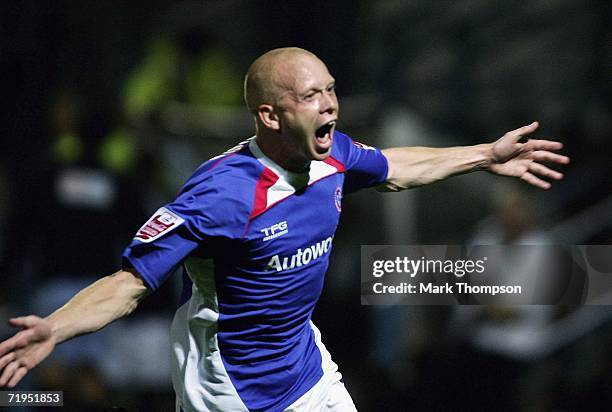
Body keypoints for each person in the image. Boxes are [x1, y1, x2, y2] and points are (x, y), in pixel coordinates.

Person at [0, 47, 569, 411]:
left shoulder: (332, 155)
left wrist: (484, 155)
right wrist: (55, 328)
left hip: (306, 367)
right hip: (232, 388)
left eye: (330, 90)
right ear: (270, 116)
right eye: (309, 96)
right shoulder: (220, 195)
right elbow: (129, 284)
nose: (329, 107)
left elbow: (398, 168)